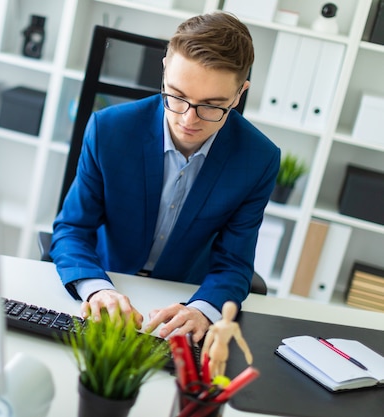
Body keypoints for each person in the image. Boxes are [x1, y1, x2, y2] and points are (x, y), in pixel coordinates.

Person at [49, 12, 280, 343]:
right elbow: (72, 229)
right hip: (108, 282)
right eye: (176, 96)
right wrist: (96, 289)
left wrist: (202, 309)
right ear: (165, 71)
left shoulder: (259, 159)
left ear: (239, 94)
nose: (188, 119)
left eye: (212, 106)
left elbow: (234, 263)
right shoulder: (109, 130)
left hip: (181, 299)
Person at [201, 301, 253, 378]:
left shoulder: (233, 326)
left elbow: (239, 340)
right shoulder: (217, 325)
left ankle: (218, 384)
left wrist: (246, 351)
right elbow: (207, 342)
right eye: (228, 311)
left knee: (222, 366)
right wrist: (205, 352)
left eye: (231, 312)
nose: (229, 313)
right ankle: (208, 380)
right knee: (213, 365)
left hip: (224, 350)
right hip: (216, 349)